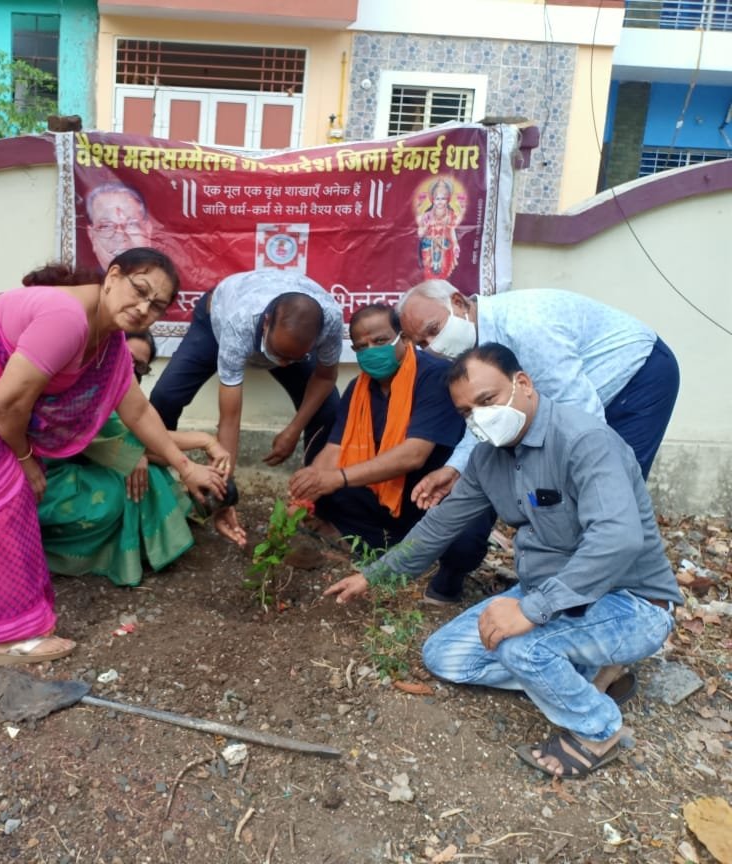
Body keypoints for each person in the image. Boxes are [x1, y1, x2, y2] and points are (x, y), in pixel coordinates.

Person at [324, 343, 681, 779]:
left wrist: (531, 611)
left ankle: (598, 729)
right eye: (466, 412)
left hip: (629, 601)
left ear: (523, 385)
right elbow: (441, 526)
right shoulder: (487, 458)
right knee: (444, 657)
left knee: (519, 644)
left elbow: (618, 539)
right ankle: (594, 668)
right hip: (548, 591)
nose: (478, 417)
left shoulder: (585, 439)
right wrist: (372, 575)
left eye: (487, 400)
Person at [0, 248, 227, 666]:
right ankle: (5, 641)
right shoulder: (68, 318)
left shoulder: (110, 343)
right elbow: (9, 403)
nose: (142, 309)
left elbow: (136, 410)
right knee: (0, 499)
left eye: (156, 306)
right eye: (139, 291)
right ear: (113, 275)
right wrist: (26, 458)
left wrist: (186, 466)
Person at [397, 281, 679, 513]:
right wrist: (455, 467)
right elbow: (481, 414)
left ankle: (619, 572)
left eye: (434, 330)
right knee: (569, 491)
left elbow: (580, 411)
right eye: (422, 343)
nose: (433, 345)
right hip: (587, 388)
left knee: (611, 486)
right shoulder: (474, 347)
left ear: (459, 303)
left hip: (639, 373)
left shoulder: (524, 325)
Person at [287, 304, 493, 603]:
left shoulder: (436, 377)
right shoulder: (358, 388)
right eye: (361, 346)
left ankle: (447, 581)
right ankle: (379, 551)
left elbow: (414, 455)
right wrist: (305, 495)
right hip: (386, 496)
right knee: (323, 490)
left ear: (405, 339)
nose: (371, 351)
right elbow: (335, 449)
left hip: (436, 492)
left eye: (380, 341)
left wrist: (338, 478)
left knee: (465, 534)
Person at [149, 269, 343, 544]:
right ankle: (158, 493)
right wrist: (225, 493)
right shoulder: (240, 322)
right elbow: (230, 417)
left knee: (329, 410)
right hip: (214, 321)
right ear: (265, 323)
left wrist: (293, 429)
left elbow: (324, 377)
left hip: (284, 336)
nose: (283, 364)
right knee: (165, 397)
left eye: (294, 358)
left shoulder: (331, 321)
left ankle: (312, 509)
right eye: (278, 354)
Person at [37, 330, 235, 587]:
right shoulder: (88, 388)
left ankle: (162, 531)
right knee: (127, 488)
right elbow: (142, 441)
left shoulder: (115, 395)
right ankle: (79, 553)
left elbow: (145, 440)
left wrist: (143, 452)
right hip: (40, 481)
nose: (130, 370)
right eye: (126, 359)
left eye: (139, 366)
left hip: (74, 471)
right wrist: (202, 442)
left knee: (146, 471)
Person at [85, 182, 154, 271]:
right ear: (92, 237)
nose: (120, 235)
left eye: (131, 224)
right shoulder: (82, 283)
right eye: (106, 226)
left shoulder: (166, 282)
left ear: (148, 231)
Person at [417, 178, 461, 280]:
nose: (440, 202)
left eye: (443, 199)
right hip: (429, 248)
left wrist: (455, 244)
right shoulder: (427, 215)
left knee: (443, 275)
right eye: (437, 199)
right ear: (433, 200)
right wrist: (426, 226)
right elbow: (420, 234)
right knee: (429, 275)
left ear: (448, 199)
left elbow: (451, 230)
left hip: (444, 247)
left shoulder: (450, 215)